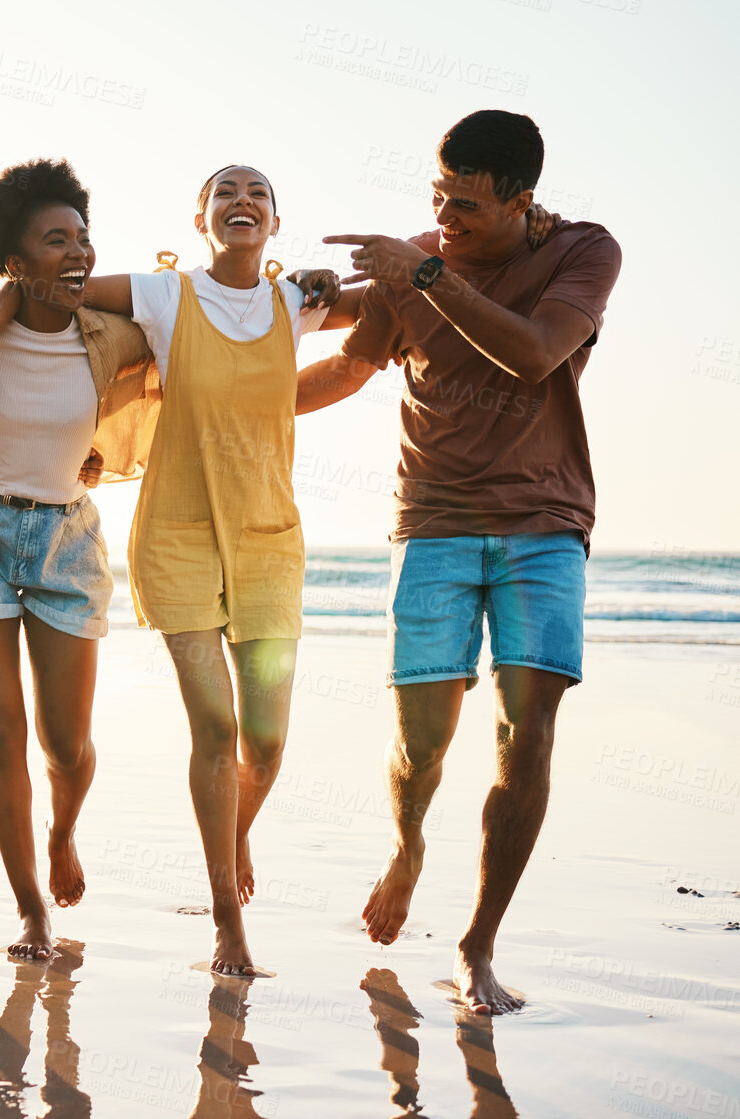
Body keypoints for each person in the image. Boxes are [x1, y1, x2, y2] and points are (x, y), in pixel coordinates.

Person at [0, 164, 339, 976]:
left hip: (270, 540)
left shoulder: (299, 304)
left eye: (258, 193)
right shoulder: (163, 297)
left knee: (263, 744)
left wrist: (377, 272)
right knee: (216, 730)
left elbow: (391, 306)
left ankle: (230, 831)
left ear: (275, 219)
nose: (242, 201)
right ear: (199, 217)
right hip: (178, 537)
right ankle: (226, 923)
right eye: (224, 192)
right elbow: (55, 286)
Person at [294, 109, 622, 1014]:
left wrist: (424, 277)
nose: (445, 215)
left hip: (542, 524)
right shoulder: (416, 258)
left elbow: (532, 354)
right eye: (436, 195)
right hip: (430, 522)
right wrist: (227, 409)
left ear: (522, 200)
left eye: (467, 204)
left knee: (527, 734)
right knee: (420, 740)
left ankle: (476, 943)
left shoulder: (583, 252)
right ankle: (407, 846)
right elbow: (347, 368)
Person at [0, 158, 157, 961]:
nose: (78, 252)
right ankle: (31, 908)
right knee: (1, 731)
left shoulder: (114, 335)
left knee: (66, 745)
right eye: (54, 239)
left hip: (66, 543)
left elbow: (198, 336)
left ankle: (63, 831)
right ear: (13, 261)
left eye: (83, 237)